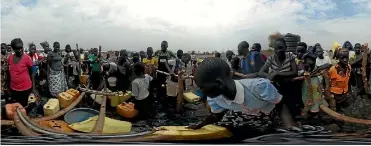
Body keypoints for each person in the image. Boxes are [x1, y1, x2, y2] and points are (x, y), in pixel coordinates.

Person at [186, 58, 282, 134]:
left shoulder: (259, 87)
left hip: (269, 119)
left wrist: (289, 126)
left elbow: (282, 105)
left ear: (219, 84)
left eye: (202, 87)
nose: (200, 91)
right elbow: (216, 115)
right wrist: (201, 124)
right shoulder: (214, 98)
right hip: (248, 122)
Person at [259, 37, 299, 129]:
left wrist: (277, 73)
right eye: (276, 48)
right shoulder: (271, 58)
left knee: (290, 104)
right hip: (276, 86)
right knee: (279, 105)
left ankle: (292, 120)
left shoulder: (290, 56)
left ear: (285, 47)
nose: (278, 50)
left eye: (280, 48)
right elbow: (261, 72)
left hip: (289, 85)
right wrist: (270, 75)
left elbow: (294, 72)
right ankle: (284, 122)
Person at [7, 38, 36, 107]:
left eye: (21, 47)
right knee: (16, 106)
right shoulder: (10, 58)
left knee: (25, 107)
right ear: (13, 49)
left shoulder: (27, 58)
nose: (20, 50)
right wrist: (8, 87)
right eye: (17, 48)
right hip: (13, 88)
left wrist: (34, 88)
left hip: (25, 88)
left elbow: (32, 73)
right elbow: (9, 72)